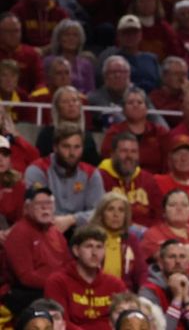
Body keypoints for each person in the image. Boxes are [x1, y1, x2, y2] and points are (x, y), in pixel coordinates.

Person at [24, 123, 104, 233]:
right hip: (45, 230)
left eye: (77, 147)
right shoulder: (38, 170)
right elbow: (38, 209)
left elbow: (99, 211)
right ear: (55, 147)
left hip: (82, 233)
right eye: (66, 146)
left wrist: (72, 219)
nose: (72, 153)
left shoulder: (91, 173)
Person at [43, 225, 127, 330]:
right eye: (89, 246)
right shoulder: (57, 281)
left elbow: (126, 320)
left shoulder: (115, 284)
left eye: (99, 247)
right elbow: (59, 322)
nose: (94, 253)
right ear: (76, 250)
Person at [4, 188, 71, 316]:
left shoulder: (55, 232)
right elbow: (26, 277)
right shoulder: (20, 233)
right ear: (27, 208)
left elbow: (68, 264)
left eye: (49, 203)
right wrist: (59, 284)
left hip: (55, 288)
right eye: (39, 204)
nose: (45, 208)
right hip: (28, 294)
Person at [139, 239, 189, 330]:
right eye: (172, 257)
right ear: (161, 263)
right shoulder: (149, 291)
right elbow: (162, 328)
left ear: (188, 262)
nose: (178, 261)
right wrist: (177, 299)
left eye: (182, 256)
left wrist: (187, 300)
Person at [98, 131, 163, 228]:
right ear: (112, 154)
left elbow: (160, 215)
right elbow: (96, 215)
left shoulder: (148, 179)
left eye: (133, 152)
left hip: (147, 236)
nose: (129, 156)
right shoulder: (99, 177)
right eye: (124, 151)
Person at [101, 86, 170, 175]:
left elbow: (169, 163)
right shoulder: (114, 133)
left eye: (140, 102)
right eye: (130, 102)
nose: (135, 105)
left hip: (155, 182)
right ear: (124, 109)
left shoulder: (160, 132)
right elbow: (107, 162)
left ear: (147, 108)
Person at [88, 192, 148, 291]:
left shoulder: (131, 240)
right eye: (110, 209)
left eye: (121, 210)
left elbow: (141, 272)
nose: (116, 215)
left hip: (124, 294)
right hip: (94, 291)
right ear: (101, 213)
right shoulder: (90, 237)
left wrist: (144, 294)